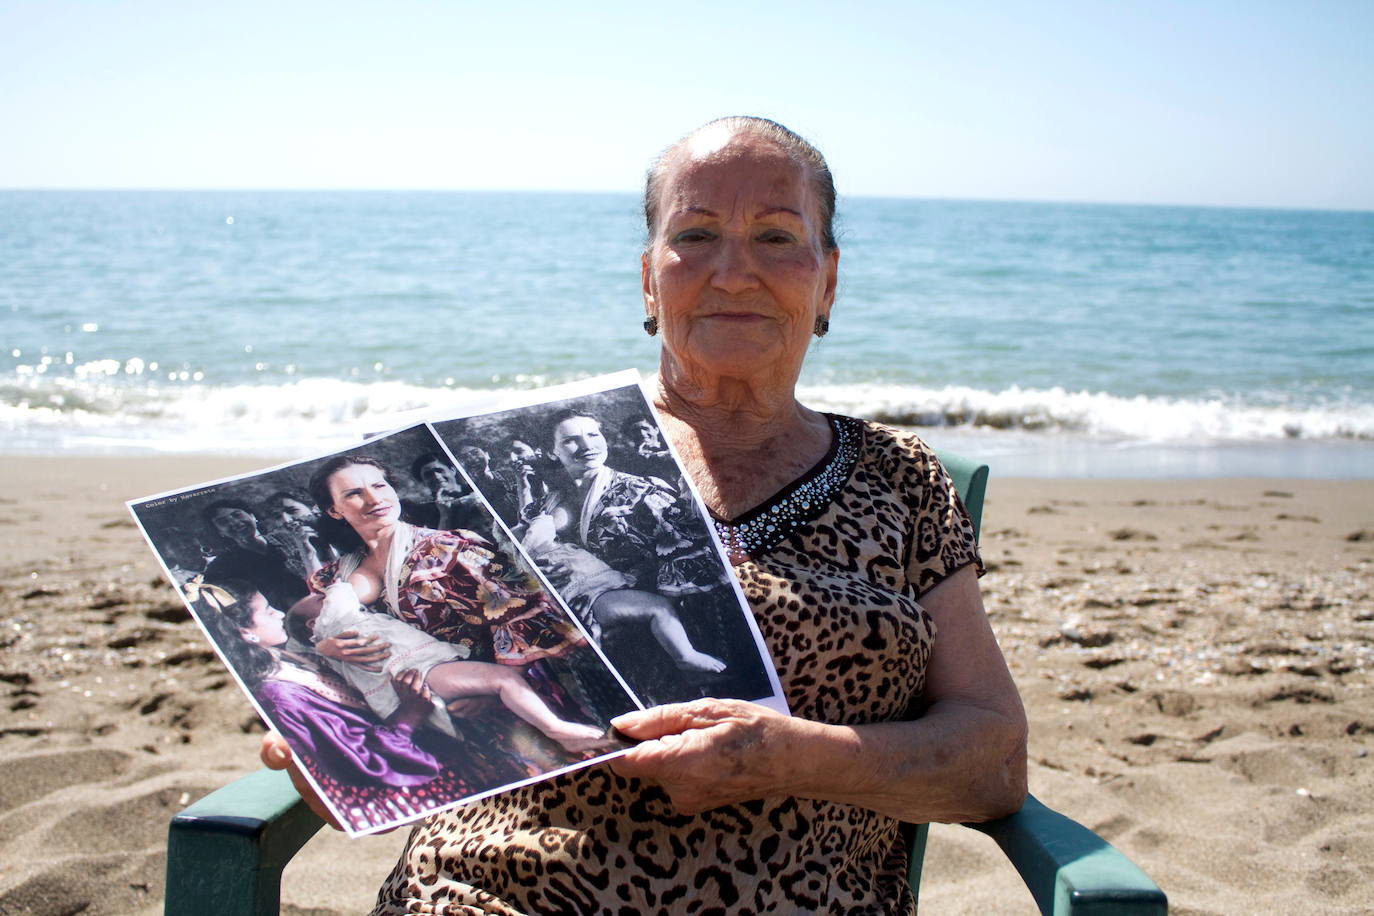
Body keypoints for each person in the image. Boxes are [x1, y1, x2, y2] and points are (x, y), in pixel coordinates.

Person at [264, 116, 1027, 912]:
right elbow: (431, 718)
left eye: (775, 236)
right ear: (648, 281)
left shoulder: (899, 481)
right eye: (695, 236)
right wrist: (341, 762)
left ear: (827, 280)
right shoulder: (518, 478)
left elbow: (995, 763)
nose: (733, 273)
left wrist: (795, 758)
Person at [189, 576, 520, 831]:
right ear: (246, 634)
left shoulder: (291, 660)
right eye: (267, 611)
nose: (277, 612)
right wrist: (409, 714)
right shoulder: (281, 696)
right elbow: (361, 759)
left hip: (438, 747)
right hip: (417, 787)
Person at [519, 408, 727, 673]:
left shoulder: (642, 490)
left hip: (662, 624)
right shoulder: (551, 501)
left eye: (593, 434)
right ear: (552, 452)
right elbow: (527, 547)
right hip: (582, 617)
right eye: (571, 440)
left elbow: (689, 557)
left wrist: (635, 604)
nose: (587, 445)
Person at [290, 582, 609, 752]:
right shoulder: (334, 623)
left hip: (417, 674)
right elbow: (341, 591)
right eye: (317, 599)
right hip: (417, 671)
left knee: (499, 690)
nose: (321, 594)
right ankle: (557, 729)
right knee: (503, 680)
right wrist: (323, 608)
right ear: (313, 622)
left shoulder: (335, 632)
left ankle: (554, 730)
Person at [201, 499, 310, 612]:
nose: (234, 523)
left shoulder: (289, 538)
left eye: (237, 515)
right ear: (220, 532)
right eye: (223, 522)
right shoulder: (225, 566)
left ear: (252, 516)